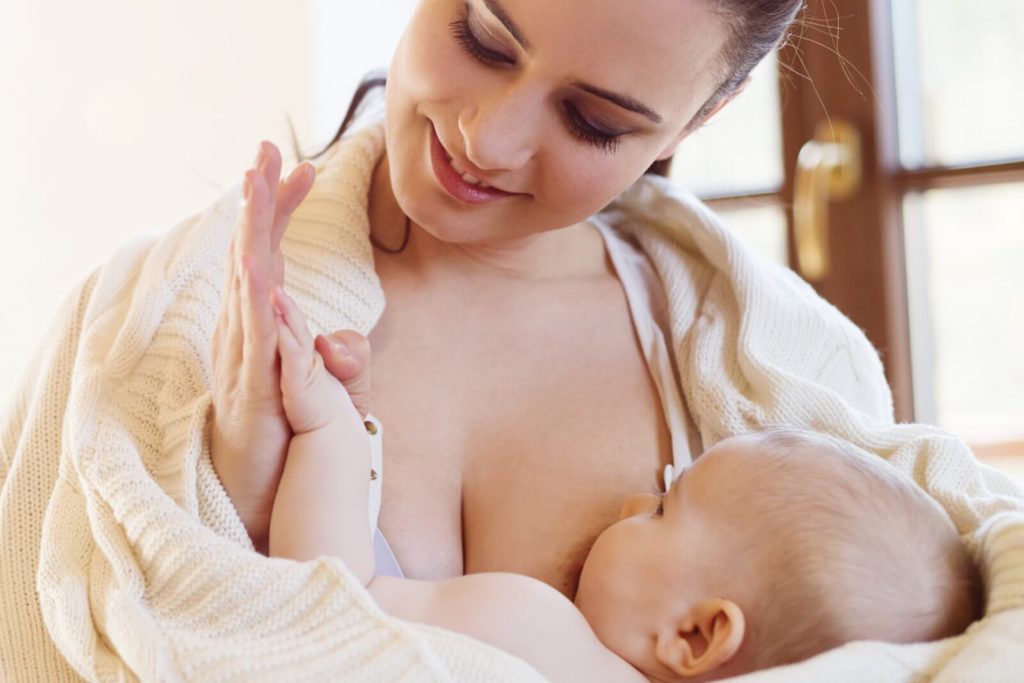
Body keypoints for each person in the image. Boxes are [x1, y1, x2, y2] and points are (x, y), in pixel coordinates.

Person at [3, 0, 1023, 680]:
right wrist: (238, 468)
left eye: (591, 119)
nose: (483, 140)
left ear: (697, 117)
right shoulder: (141, 326)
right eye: (484, 35)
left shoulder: (804, 389)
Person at [265, 281, 980, 682]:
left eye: (666, 509)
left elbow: (329, 596)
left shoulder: (542, 632)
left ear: (696, 634)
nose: (638, 497)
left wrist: (330, 424)